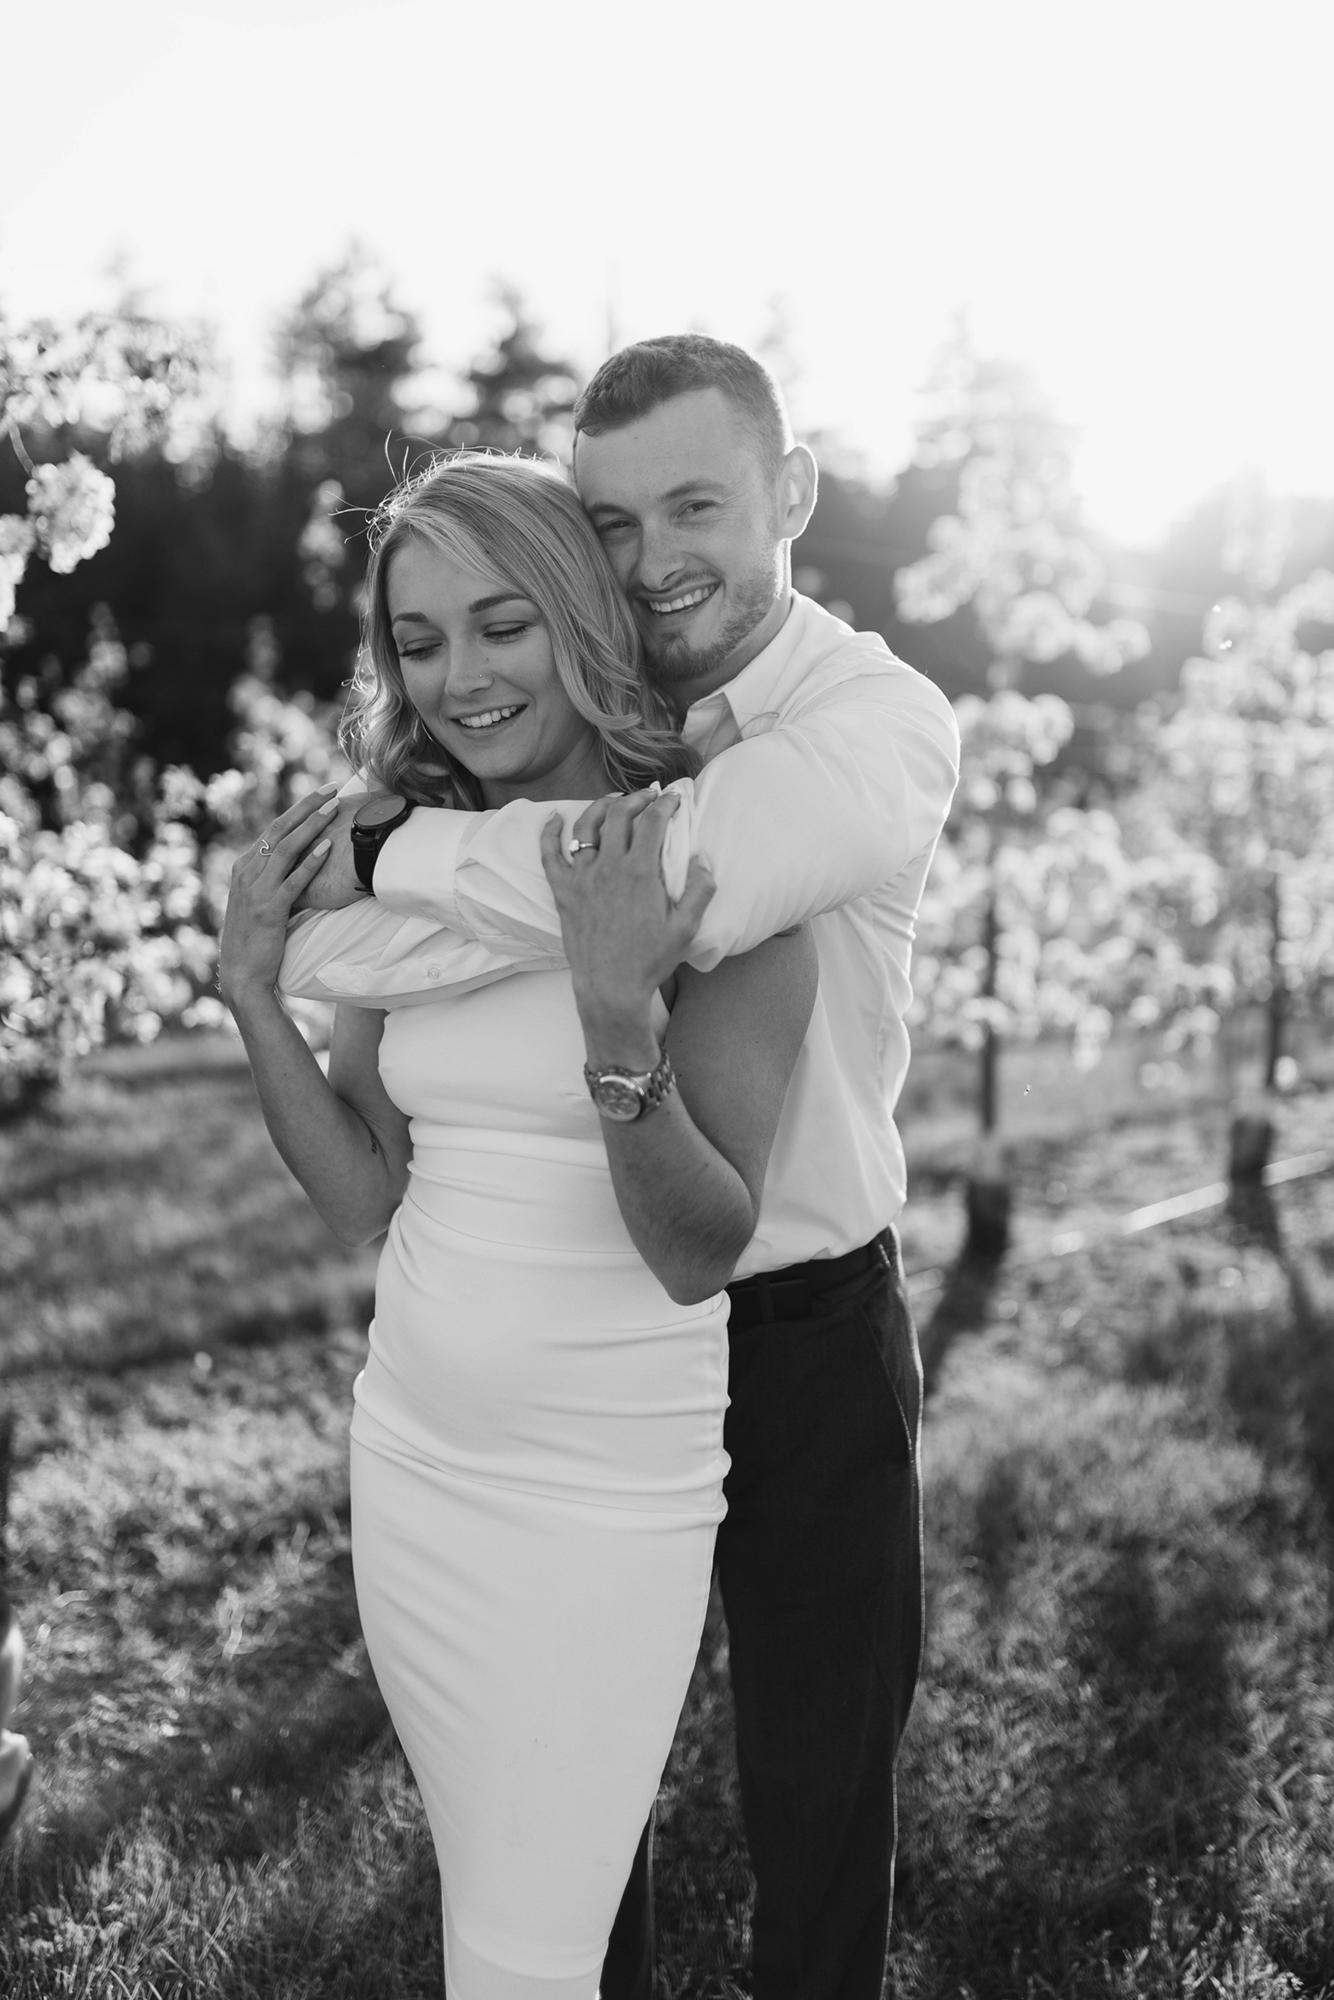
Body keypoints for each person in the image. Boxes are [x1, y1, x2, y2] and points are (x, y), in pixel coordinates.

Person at [293, 335, 961, 2000]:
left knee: (818, 1787)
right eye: (610, 523)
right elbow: (467, 921)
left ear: (789, 493)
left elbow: (658, 876)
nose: (654, 559)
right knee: (581, 1798)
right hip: (590, 1336)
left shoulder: (871, 722)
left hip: (798, 1319)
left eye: (696, 506)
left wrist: (377, 848)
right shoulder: (583, 713)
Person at [219, 450, 817, 1999]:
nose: (462, 677)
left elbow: (695, 1253)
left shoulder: (709, 875)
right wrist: (256, 1003)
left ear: (579, 617)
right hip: (413, 1466)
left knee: (527, 1954)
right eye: (419, 642)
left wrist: (617, 1018)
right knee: (485, 1927)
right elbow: (365, 1195)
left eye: (503, 625)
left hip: (599, 1505)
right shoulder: (402, 875)